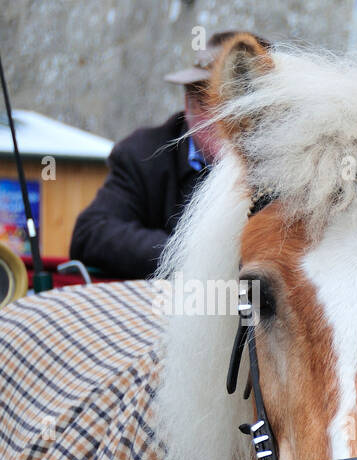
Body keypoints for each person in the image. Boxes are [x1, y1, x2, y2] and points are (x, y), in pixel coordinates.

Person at [69, 31, 250, 279]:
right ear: (190, 105)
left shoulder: (287, 165)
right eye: (215, 102)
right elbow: (91, 234)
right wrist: (194, 256)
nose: (229, 120)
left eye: (244, 106)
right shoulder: (144, 154)